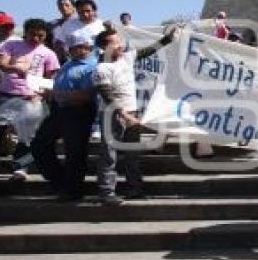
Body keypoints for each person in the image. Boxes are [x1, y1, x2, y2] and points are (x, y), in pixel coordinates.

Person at [93, 26, 177, 204]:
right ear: (104, 48)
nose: (120, 45)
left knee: (132, 153)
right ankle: (107, 192)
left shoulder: (128, 58)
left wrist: (168, 38)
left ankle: (135, 189)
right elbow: (107, 97)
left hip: (131, 112)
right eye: (114, 43)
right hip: (112, 115)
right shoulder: (102, 68)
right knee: (109, 153)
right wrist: (125, 116)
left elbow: (150, 49)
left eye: (119, 41)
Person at [0, 18, 60, 180]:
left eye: (40, 36)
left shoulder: (49, 53)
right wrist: (14, 67)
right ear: (25, 33)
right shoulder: (11, 45)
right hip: (6, 94)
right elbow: (2, 64)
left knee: (27, 135)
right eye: (32, 35)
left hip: (31, 98)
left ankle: (21, 167)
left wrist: (39, 94)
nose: (36, 39)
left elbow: (49, 79)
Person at [31, 32, 98, 201]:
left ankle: (72, 189)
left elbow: (87, 95)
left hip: (79, 111)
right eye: (75, 47)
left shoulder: (93, 66)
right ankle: (60, 181)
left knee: (74, 151)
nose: (79, 50)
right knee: (39, 144)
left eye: (83, 46)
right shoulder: (68, 64)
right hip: (60, 110)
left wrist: (57, 94)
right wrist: (50, 94)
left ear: (90, 47)